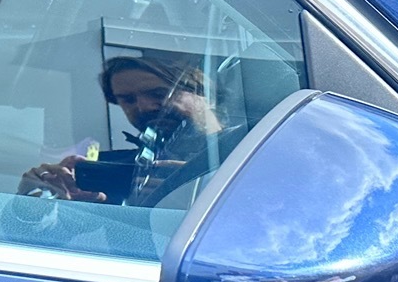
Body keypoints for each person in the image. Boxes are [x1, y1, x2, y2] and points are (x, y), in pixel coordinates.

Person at [20, 57, 242, 209]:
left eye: (159, 93)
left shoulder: (247, 149)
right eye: (127, 100)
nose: (144, 107)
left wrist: (200, 186)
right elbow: (48, 239)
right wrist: (35, 202)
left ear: (207, 95)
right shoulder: (116, 172)